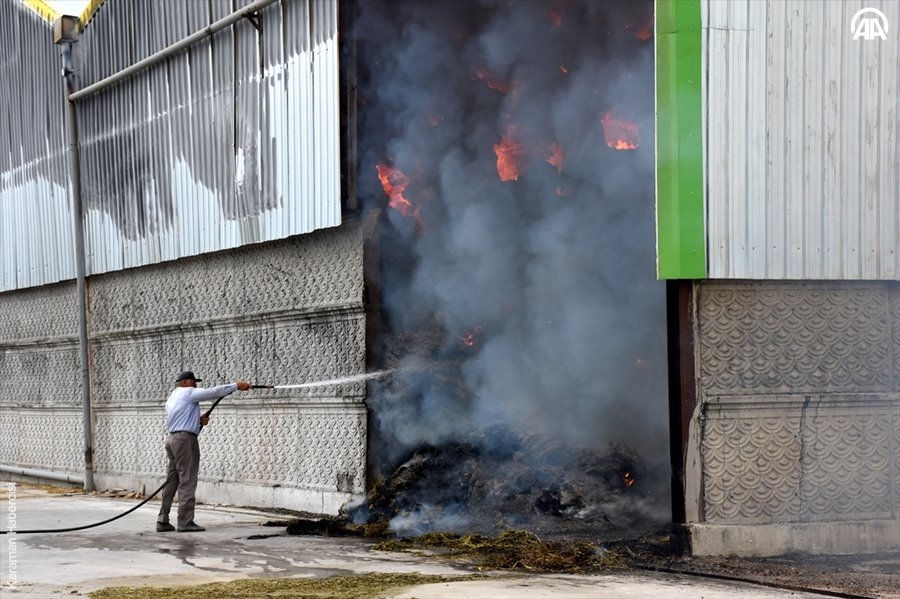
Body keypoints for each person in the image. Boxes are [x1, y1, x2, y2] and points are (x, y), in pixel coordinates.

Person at [156, 371, 251, 532]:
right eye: (194, 382)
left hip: (173, 440)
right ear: (185, 382)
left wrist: (198, 421)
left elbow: (181, 418)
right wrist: (236, 386)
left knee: (172, 481)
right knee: (187, 480)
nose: (196, 385)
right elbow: (213, 392)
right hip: (185, 441)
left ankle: (162, 520)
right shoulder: (188, 392)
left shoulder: (173, 397)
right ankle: (185, 522)